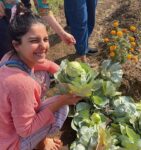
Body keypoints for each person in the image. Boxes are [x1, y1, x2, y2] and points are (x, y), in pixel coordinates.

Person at [0, 3, 81, 150]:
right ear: (16, 44)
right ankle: (41, 144)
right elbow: (25, 131)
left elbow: (47, 65)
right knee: (62, 109)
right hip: (11, 144)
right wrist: (62, 101)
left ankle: (35, 124)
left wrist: (66, 75)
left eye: (45, 39)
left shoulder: (9, 58)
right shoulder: (21, 84)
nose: (43, 46)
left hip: (4, 129)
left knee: (42, 74)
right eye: (34, 41)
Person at [0, 0, 76, 59]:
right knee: (7, 54)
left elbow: (43, 9)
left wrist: (62, 33)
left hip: (24, 15)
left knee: (29, 51)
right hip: (3, 20)